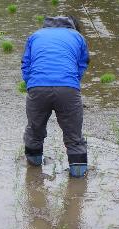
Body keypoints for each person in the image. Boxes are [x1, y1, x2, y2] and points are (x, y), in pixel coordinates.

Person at [21, 16, 90, 178]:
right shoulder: (78, 37)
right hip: (68, 88)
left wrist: (31, 83)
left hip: (37, 87)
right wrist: (71, 82)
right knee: (74, 135)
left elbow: (26, 63)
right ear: (72, 26)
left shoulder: (35, 35)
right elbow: (83, 63)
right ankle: (78, 181)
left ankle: (33, 171)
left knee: (35, 130)